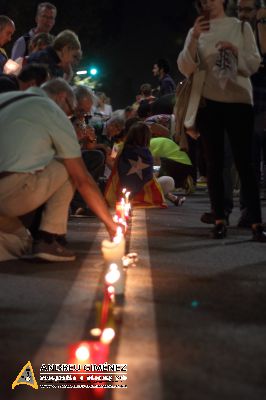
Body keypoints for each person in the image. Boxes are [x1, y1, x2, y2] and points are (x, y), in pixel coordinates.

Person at [0, 78, 118, 262]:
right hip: (9, 193)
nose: (70, 117)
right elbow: (82, 179)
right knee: (68, 164)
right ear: (62, 98)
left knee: (22, 240)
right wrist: (111, 226)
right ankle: (49, 238)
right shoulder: (51, 110)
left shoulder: (7, 99)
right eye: (72, 112)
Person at [177, 0, 266, 241]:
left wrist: (235, 52)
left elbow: (253, 64)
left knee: (244, 163)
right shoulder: (196, 30)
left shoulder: (240, 27)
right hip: (209, 102)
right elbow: (185, 67)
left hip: (238, 101)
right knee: (214, 163)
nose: (208, 2)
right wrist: (194, 37)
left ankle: (257, 222)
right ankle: (219, 219)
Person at [236, 0, 266, 226]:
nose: (243, 14)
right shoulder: (236, 33)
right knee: (249, 161)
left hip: (261, 99)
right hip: (246, 102)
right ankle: (248, 211)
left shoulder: (261, 29)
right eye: (239, 10)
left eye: (248, 9)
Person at [105, 121, 167, 208]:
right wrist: (155, 170)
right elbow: (154, 171)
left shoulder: (117, 147)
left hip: (119, 192)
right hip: (146, 192)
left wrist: (116, 167)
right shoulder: (148, 151)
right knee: (168, 181)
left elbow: (111, 165)